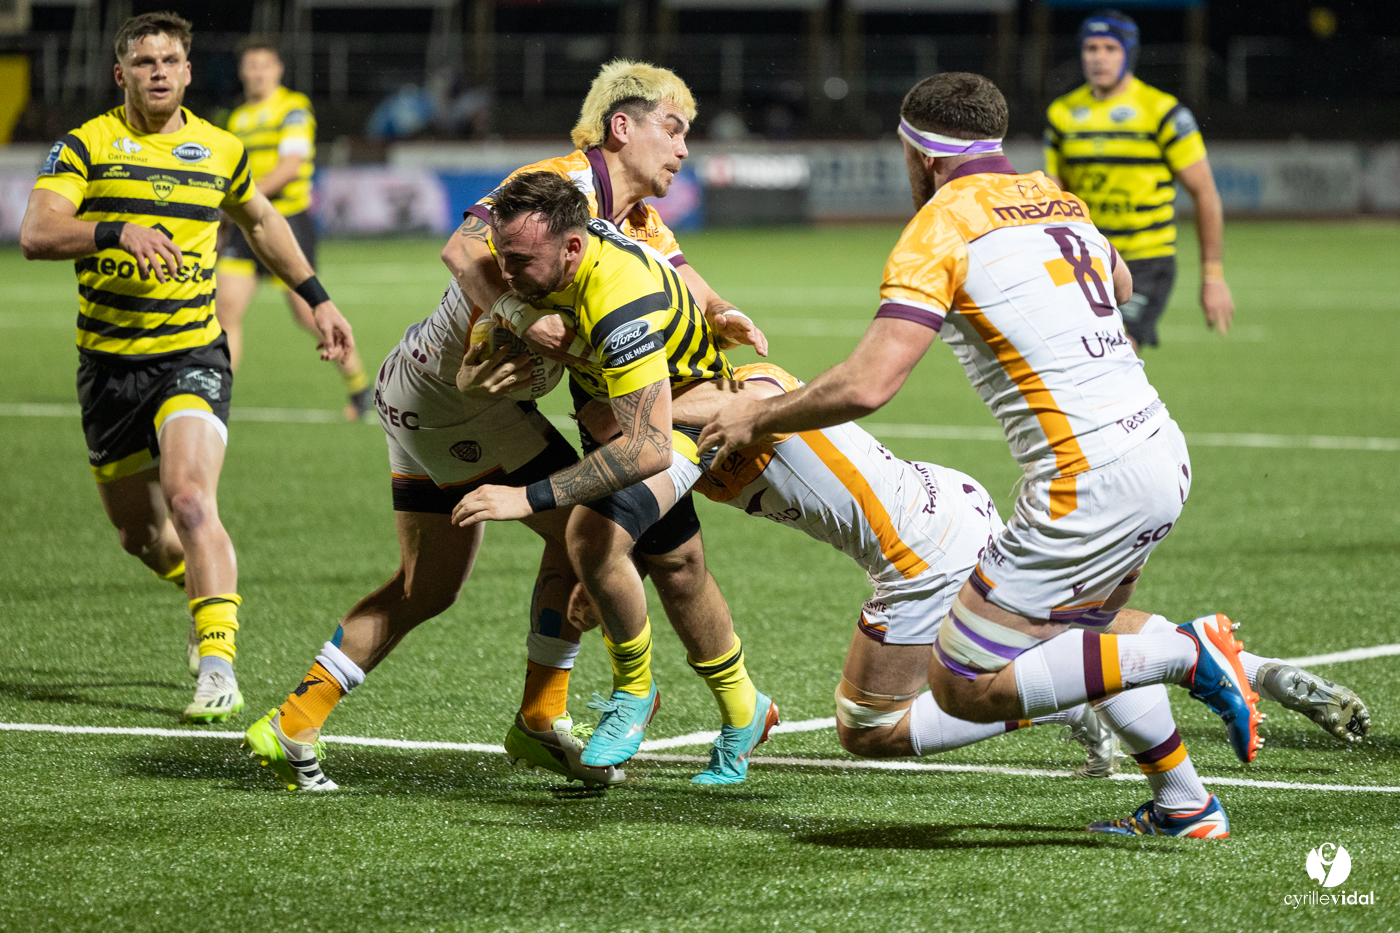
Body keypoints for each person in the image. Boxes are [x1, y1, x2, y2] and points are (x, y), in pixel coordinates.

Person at [701, 71, 1263, 839]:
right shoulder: (1053, 195)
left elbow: (869, 383)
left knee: (963, 681)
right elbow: (1120, 279)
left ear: (922, 155)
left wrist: (757, 414)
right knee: (1075, 640)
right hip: (1160, 452)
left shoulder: (941, 224)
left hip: (1085, 476)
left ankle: (1185, 651)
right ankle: (1186, 802)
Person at [18, 11, 354, 723]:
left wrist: (316, 296)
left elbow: (263, 222)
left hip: (191, 354)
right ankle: (209, 593)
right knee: (140, 536)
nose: (159, 72)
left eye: (171, 60)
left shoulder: (219, 149)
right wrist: (114, 228)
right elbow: (38, 233)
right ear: (122, 75)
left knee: (192, 499)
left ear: (190, 71)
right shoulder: (84, 147)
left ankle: (217, 662)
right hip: (108, 366)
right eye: (145, 63)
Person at [444, 61, 774, 784]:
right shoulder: (558, 187)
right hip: (619, 405)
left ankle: (626, 694)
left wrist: (722, 314)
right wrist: (517, 314)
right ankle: (745, 707)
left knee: (593, 539)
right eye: (673, 128)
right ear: (621, 127)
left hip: (672, 407)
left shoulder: (637, 225)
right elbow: (463, 248)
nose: (683, 149)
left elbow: (680, 282)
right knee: (676, 563)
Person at [1044, 9, 1234, 351]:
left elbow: (1204, 193)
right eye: (1091, 48)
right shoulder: (1062, 114)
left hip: (1146, 259)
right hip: (1086, 258)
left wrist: (1213, 276)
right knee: (1068, 353)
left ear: (1129, 53)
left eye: (1110, 48)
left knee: (1116, 351)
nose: (1099, 58)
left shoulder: (1163, 113)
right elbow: (1057, 196)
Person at [215, 37, 371, 420]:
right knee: (225, 312)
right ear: (242, 72)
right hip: (243, 225)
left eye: (264, 65)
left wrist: (239, 198)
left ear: (278, 69)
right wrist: (226, 220)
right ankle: (216, 400)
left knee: (308, 314)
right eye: (250, 66)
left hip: (286, 222)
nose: (257, 72)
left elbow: (290, 167)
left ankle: (360, 385)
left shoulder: (294, 108)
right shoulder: (237, 119)